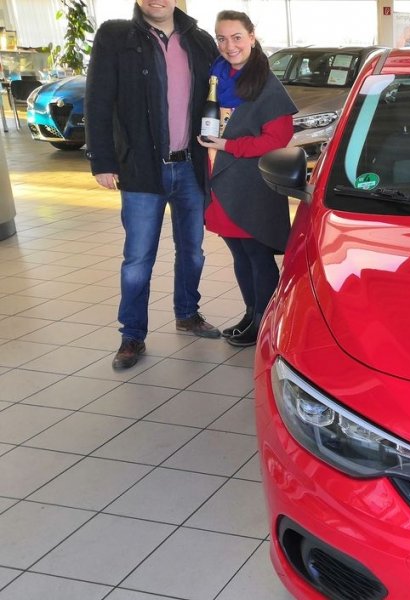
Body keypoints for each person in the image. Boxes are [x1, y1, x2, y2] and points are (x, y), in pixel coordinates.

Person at [86, 0, 221, 371]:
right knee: (138, 259)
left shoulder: (199, 40)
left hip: (190, 166)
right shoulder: (116, 35)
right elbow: (97, 99)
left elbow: (225, 87)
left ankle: (187, 313)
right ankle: (132, 335)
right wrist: (102, 161)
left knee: (192, 251)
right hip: (141, 168)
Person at [197, 11, 297, 347]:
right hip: (221, 180)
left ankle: (265, 322)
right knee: (239, 253)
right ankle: (250, 313)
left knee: (256, 253)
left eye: (237, 37)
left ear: (252, 37)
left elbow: (277, 140)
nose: (229, 45)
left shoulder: (267, 85)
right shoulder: (216, 78)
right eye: (222, 38)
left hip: (253, 184)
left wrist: (227, 145)